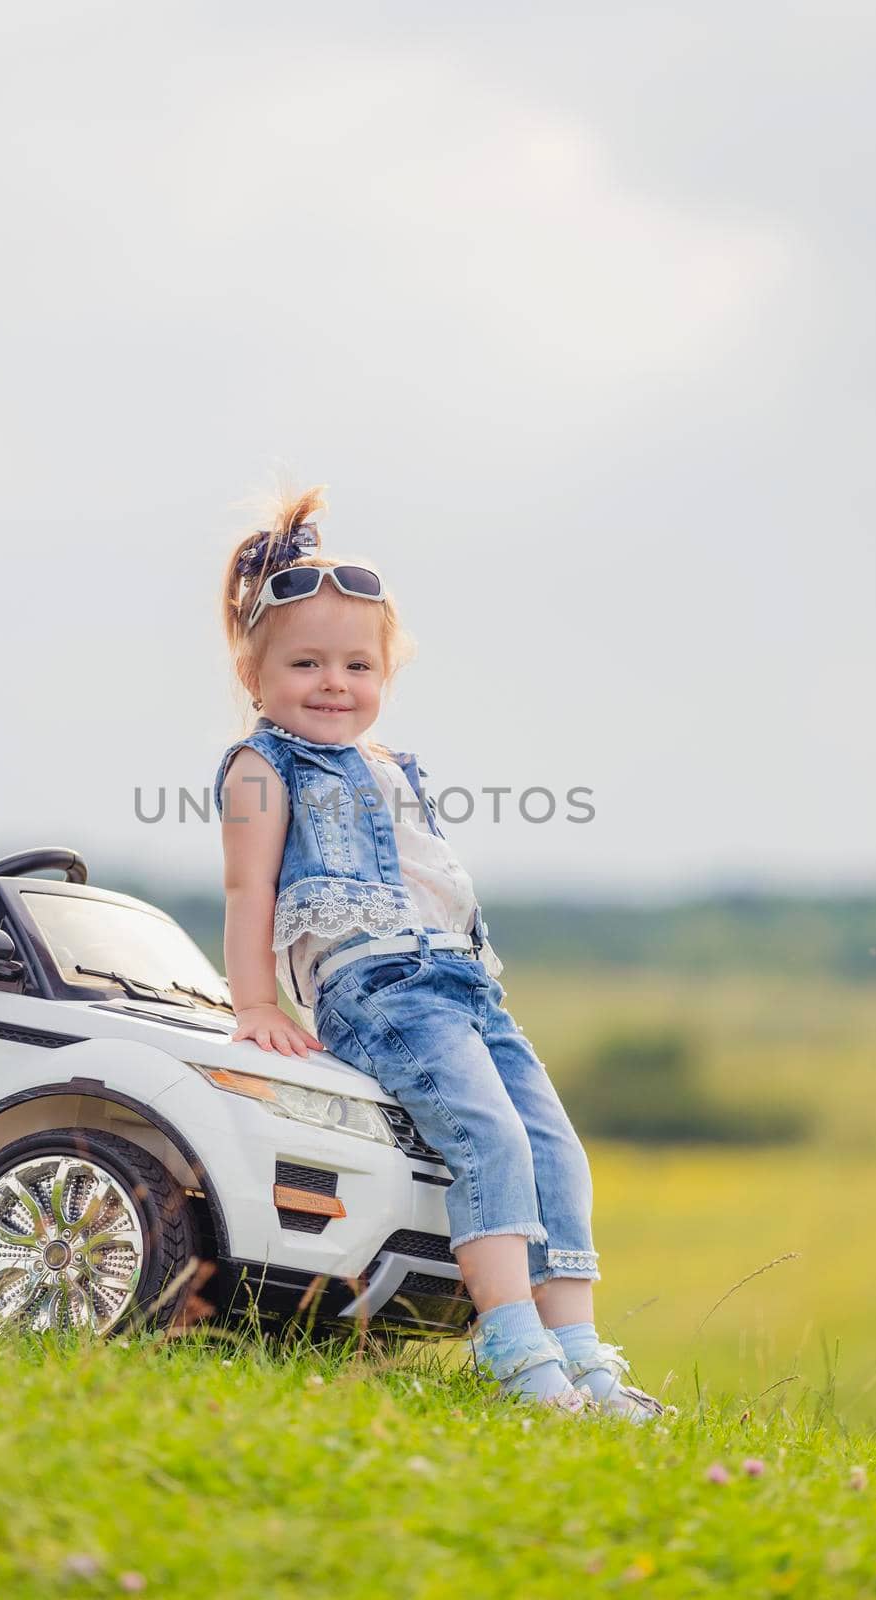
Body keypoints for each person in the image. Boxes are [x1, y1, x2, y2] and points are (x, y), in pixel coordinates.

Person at [212, 484, 663, 1422]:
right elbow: (249, 889)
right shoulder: (265, 766)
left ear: (385, 672)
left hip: (464, 990)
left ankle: (583, 1356)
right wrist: (256, 1003)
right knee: (485, 1139)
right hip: (379, 993)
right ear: (253, 676)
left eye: (356, 665)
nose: (333, 683)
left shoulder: (391, 766)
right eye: (304, 663)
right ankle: (511, 1345)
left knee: (554, 1151)